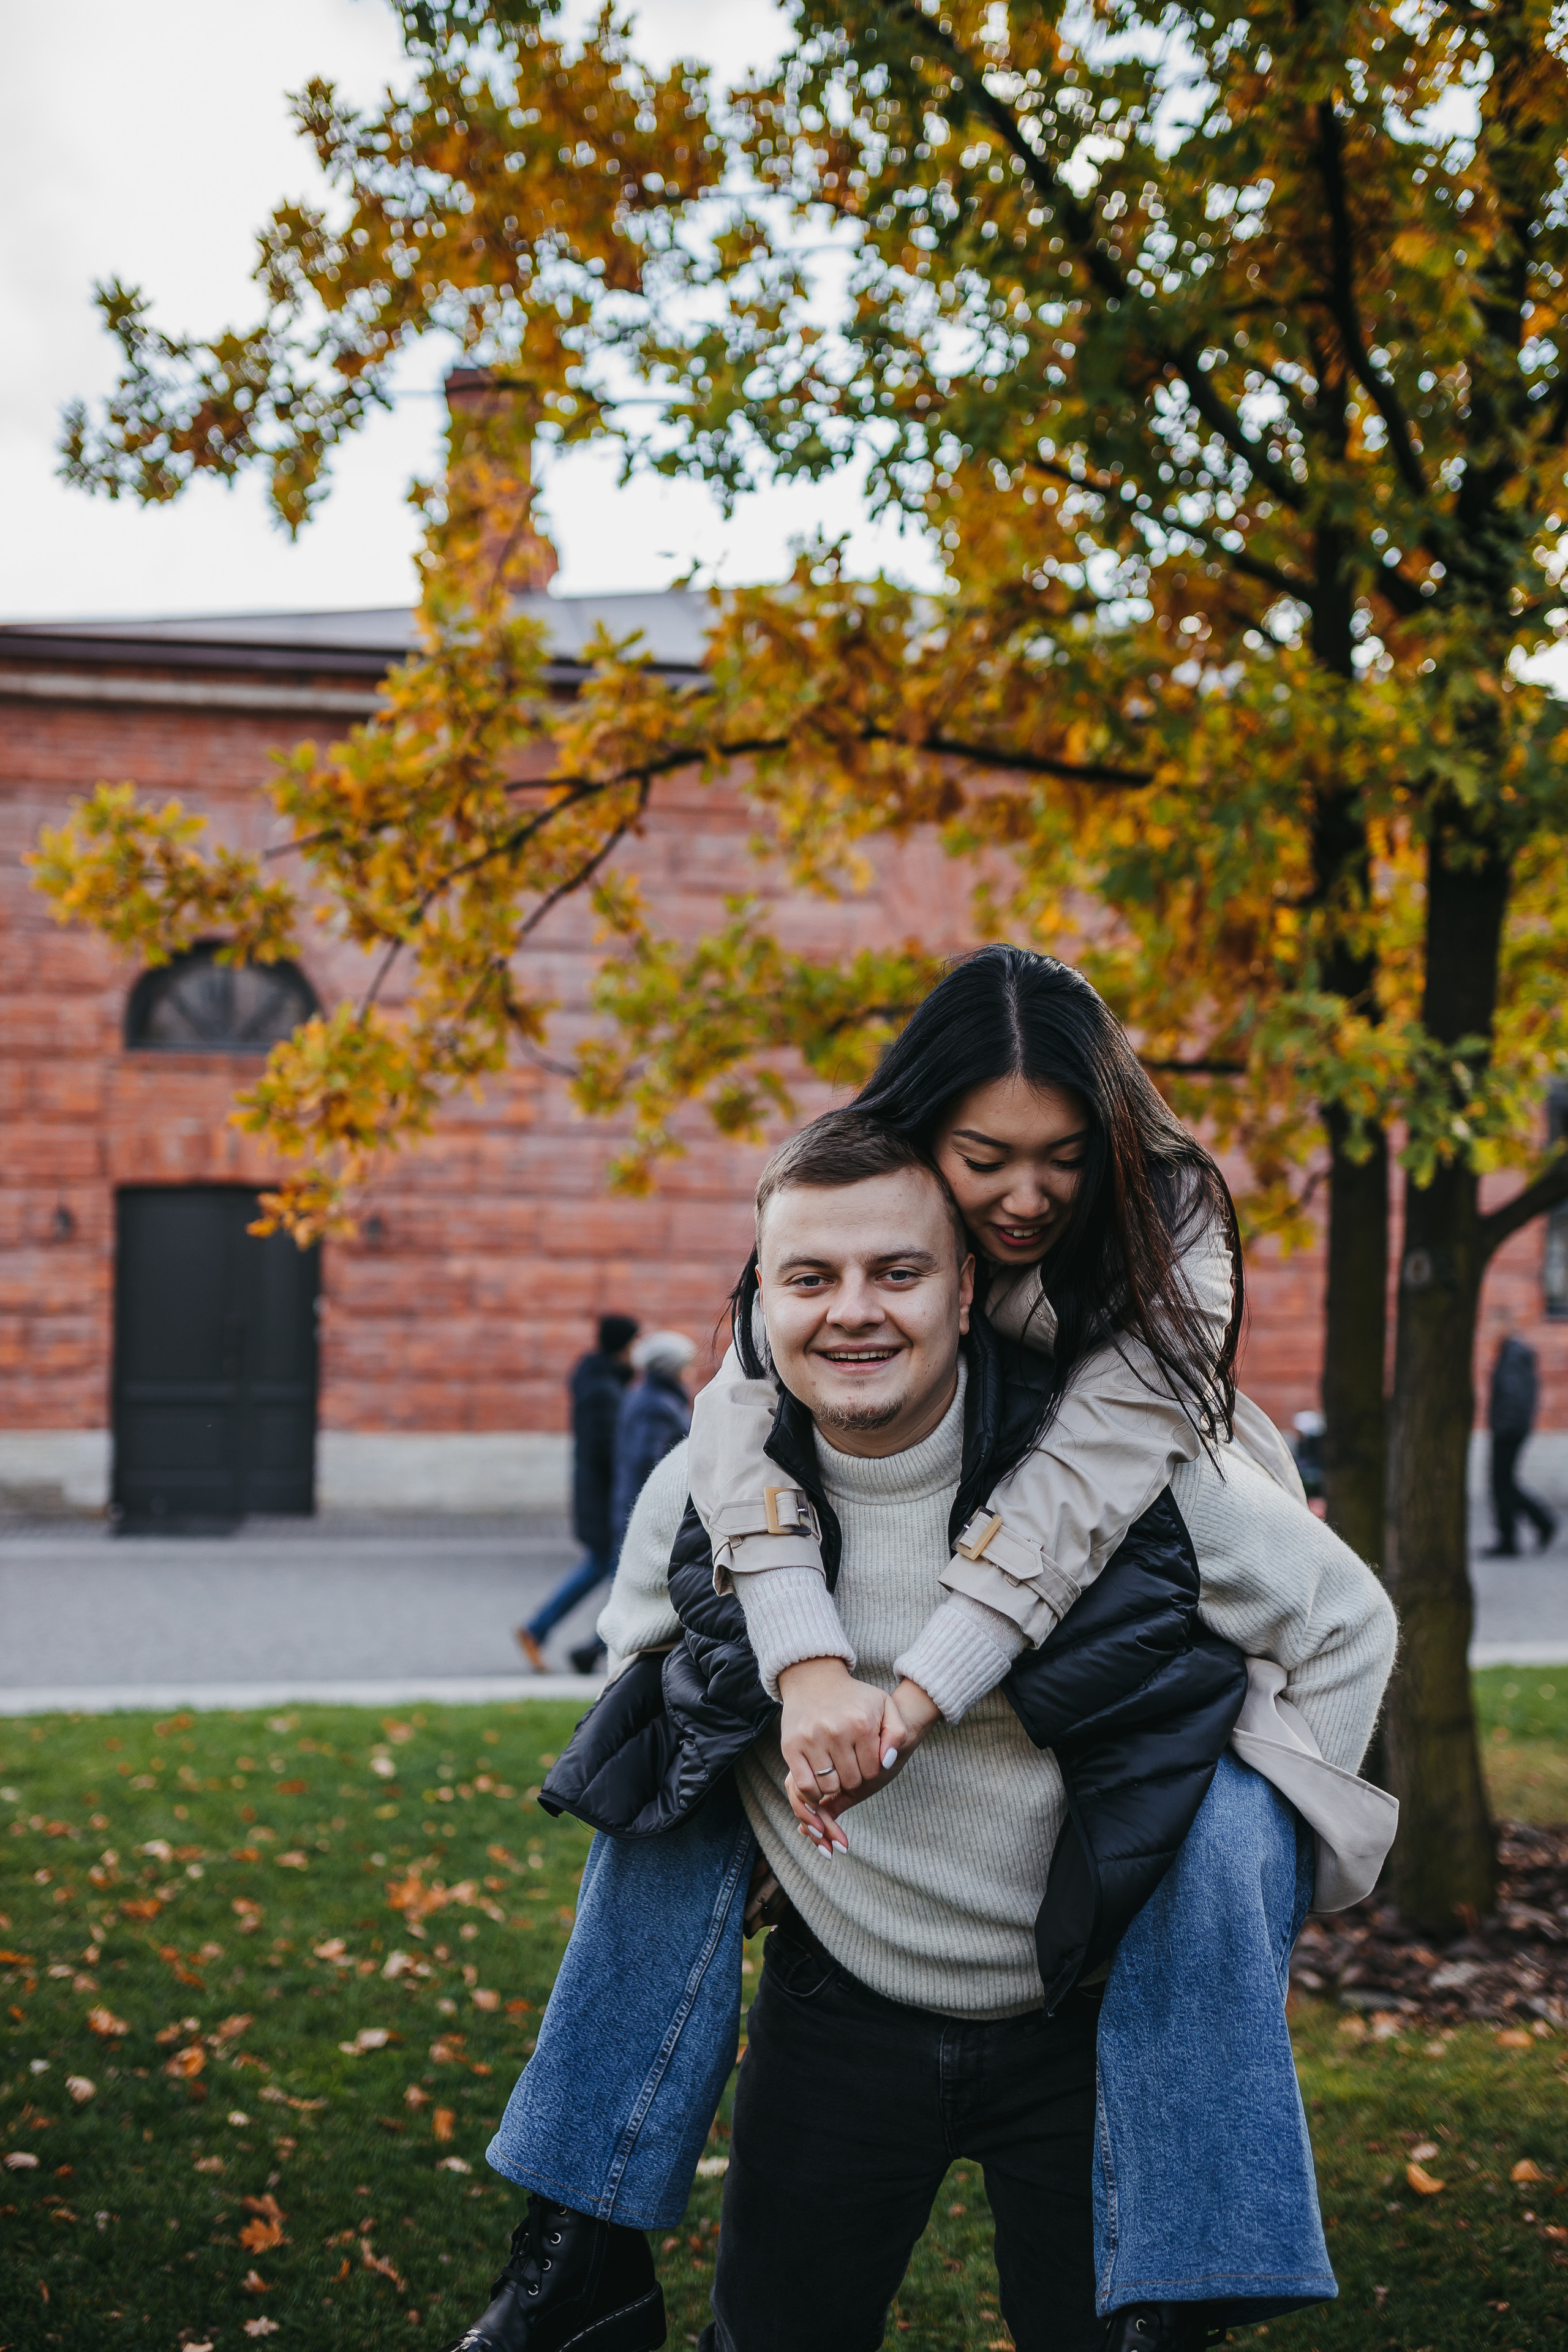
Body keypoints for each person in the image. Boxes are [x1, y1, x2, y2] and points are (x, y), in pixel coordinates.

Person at [443, 954, 1396, 2352]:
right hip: (845, 2008)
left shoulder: (1159, 1290)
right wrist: (794, 1687)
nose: (1027, 1195)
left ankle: (1184, 2274)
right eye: (984, 1160)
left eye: (1059, 1158)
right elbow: (713, 1468)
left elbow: (1111, 1507)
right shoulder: (791, 1331)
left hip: (1085, 1991)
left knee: (1230, 1834)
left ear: (959, 1283)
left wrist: (1246, 1882)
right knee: (668, 1728)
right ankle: (577, 2242)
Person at [516, 1314, 636, 1674]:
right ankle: (557, 1635)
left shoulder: (599, 1379)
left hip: (597, 1491)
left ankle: (554, 1635)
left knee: (606, 1566)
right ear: (623, 1346)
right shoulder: (604, 1391)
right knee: (613, 1568)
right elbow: (608, 1451)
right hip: (605, 1495)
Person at [609, 1330, 696, 1559]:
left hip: (641, 1506)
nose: (692, 1371)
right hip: (650, 1511)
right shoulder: (655, 1405)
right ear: (673, 1369)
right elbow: (647, 1462)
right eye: (687, 1365)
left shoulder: (652, 1396)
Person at [1485, 1314, 1557, 1557]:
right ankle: (1534, 1526)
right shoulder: (1511, 1352)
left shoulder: (1513, 1354)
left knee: (1502, 1484)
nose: (1490, 1330)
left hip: (1509, 1430)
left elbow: (1514, 1395)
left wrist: (1504, 1427)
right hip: (1510, 1428)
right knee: (1504, 1484)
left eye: (1493, 1325)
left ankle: (1524, 1532)